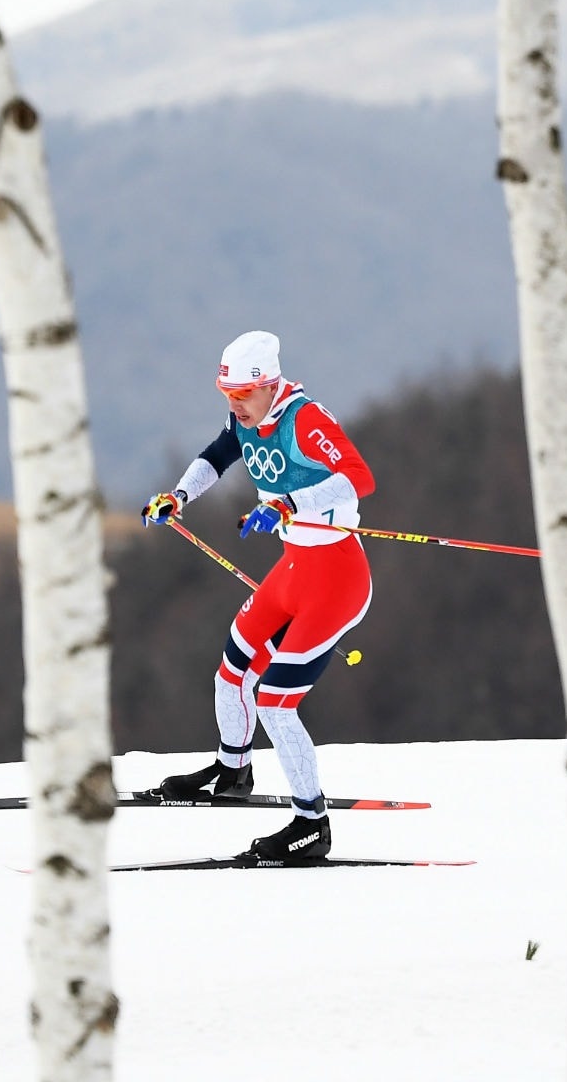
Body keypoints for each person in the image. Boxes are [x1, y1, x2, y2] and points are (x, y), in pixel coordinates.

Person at [140, 329, 375, 863]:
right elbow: (217, 456)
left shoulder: (306, 420)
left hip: (335, 579)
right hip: (293, 569)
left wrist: (290, 502)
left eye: (243, 395)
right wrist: (178, 496)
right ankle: (231, 770)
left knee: (276, 702)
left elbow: (359, 479)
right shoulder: (245, 418)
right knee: (231, 671)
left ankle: (312, 825)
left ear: (269, 385)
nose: (235, 406)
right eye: (227, 396)